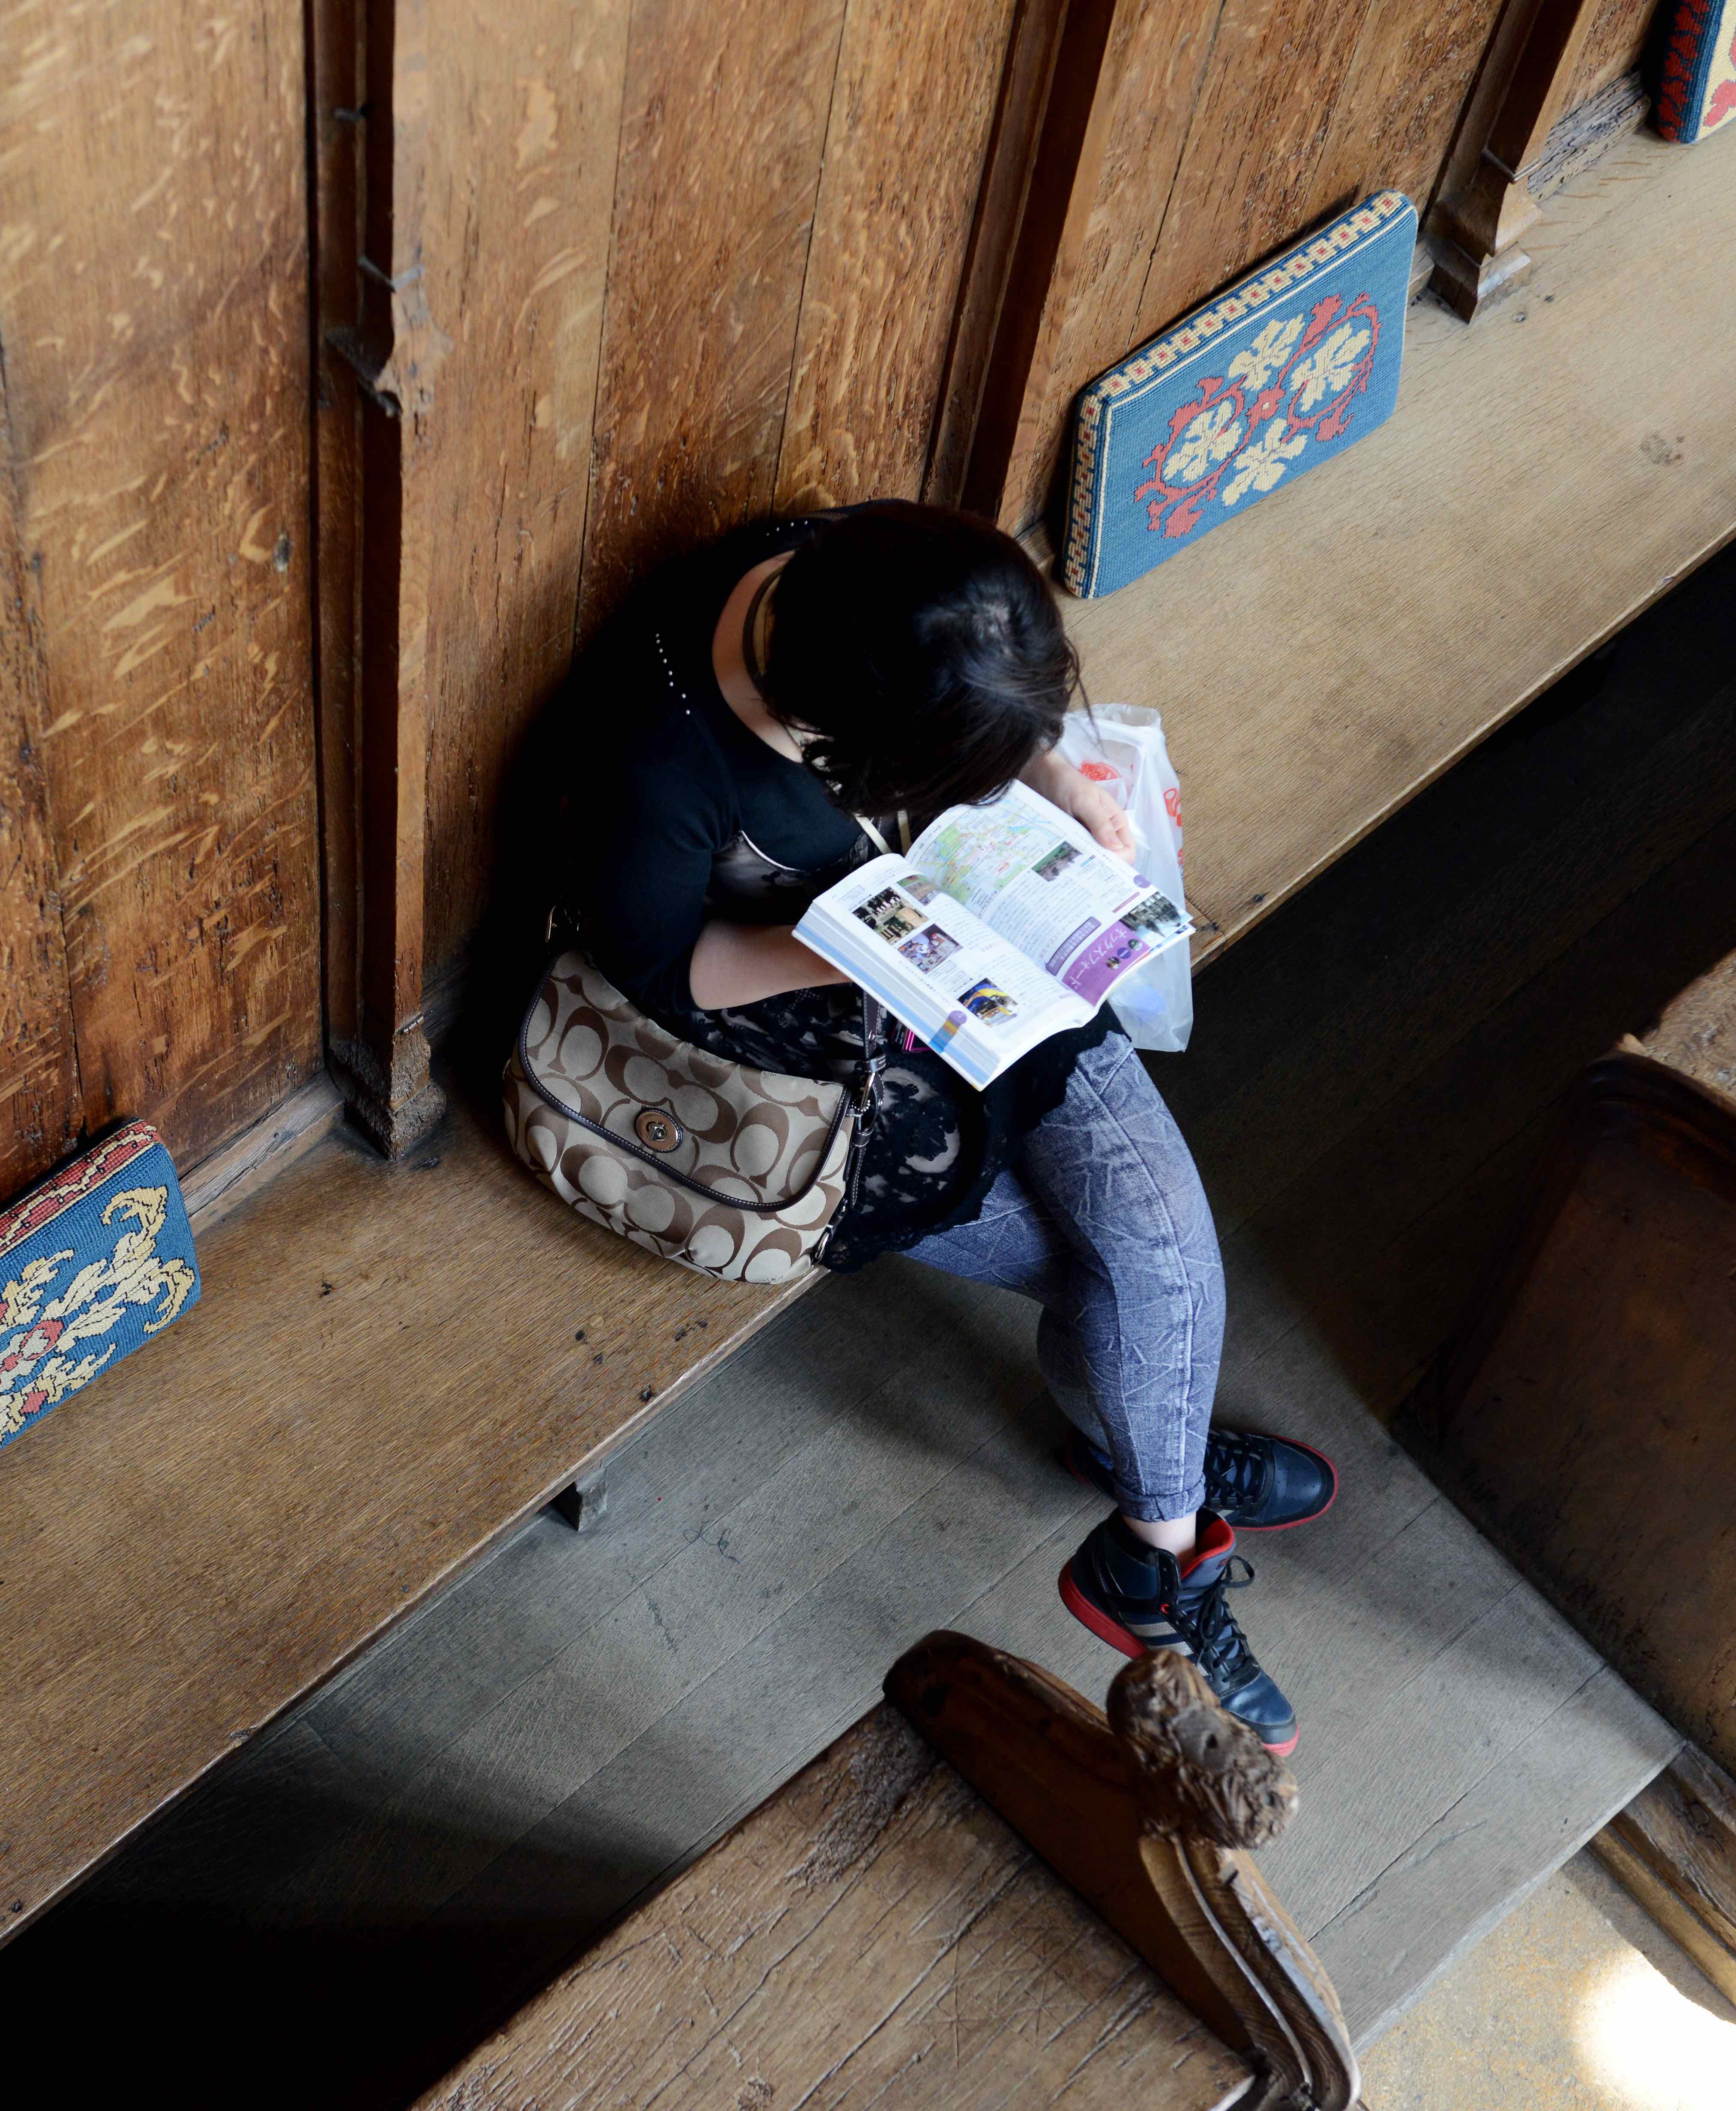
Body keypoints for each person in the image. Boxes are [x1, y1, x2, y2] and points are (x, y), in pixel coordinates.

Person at [557, 501, 1333, 1753]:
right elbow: (664, 969)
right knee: (1127, 1277)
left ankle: (1152, 1502)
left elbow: (983, 695)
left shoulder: (881, 572)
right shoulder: (665, 759)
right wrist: (852, 952)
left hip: (967, 939)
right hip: (812, 1017)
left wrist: (1055, 775)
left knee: (1155, 1255)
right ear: (863, 751)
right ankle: (1159, 1494)